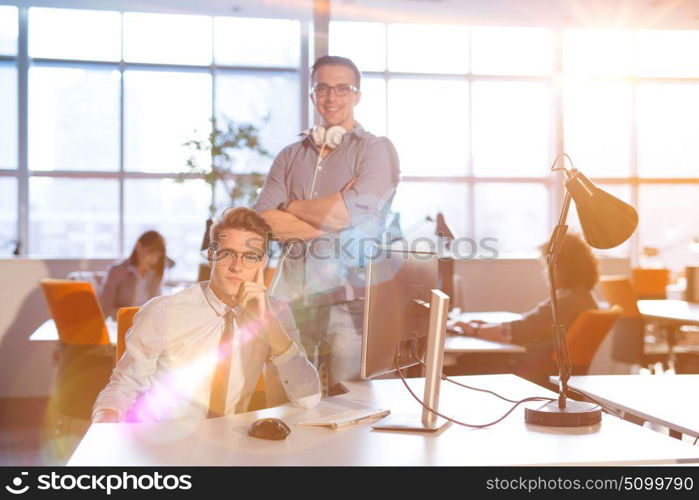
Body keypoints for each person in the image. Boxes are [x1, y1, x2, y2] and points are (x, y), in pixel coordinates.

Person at [92, 207, 321, 422]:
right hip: (165, 442)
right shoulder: (164, 311)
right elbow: (126, 385)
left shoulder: (275, 313)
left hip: (230, 446)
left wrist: (268, 325)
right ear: (211, 255)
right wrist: (105, 424)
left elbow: (308, 399)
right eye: (228, 254)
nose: (237, 266)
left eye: (249, 257)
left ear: (261, 262)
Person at [253, 55, 400, 390]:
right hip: (290, 301)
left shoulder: (376, 151)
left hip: (349, 303)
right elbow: (263, 222)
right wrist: (336, 216)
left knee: (352, 408)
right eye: (323, 88)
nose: (332, 97)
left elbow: (349, 214)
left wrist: (289, 206)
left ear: (357, 95)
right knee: (284, 404)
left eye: (342, 88)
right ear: (312, 95)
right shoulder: (290, 156)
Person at [455, 233, 599, 385]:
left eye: (547, 265)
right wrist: (483, 326)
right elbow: (530, 325)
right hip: (544, 367)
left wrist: (474, 330)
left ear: (560, 267)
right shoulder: (584, 298)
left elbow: (516, 331)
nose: (546, 271)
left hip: (530, 370)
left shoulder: (565, 304)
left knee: (463, 362)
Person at [99, 230, 167, 320]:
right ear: (138, 246)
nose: (153, 259)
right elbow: (105, 309)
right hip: (121, 324)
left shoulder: (154, 275)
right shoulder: (117, 271)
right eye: (151, 253)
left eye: (157, 256)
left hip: (146, 326)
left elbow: (156, 307)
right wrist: (132, 316)